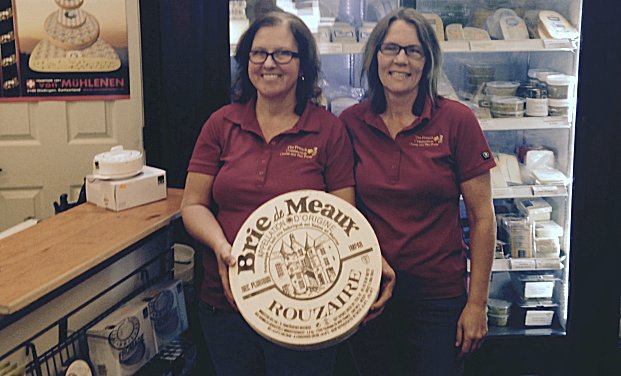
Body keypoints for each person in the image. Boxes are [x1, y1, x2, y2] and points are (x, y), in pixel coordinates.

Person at [181, 10, 394, 375]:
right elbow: (193, 205)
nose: (269, 64)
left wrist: (369, 262)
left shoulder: (328, 131)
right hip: (226, 302)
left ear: (302, 64)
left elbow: (345, 221)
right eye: (258, 53)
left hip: (305, 314)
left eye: (283, 54)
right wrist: (220, 247)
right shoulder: (221, 124)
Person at [339, 7, 496, 376]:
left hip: (439, 301)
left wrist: (477, 305)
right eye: (390, 48)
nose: (401, 60)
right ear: (374, 55)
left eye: (413, 51)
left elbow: (482, 217)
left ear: (427, 61)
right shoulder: (350, 124)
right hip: (369, 294)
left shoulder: (457, 121)